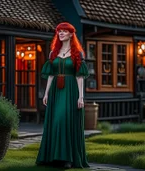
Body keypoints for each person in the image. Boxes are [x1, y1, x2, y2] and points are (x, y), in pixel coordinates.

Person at [36, 22, 90, 169]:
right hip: (55, 91)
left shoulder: (77, 54)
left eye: (64, 31)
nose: (61, 33)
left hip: (71, 90)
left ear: (71, 34)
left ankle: (68, 158)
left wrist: (81, 96)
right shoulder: (53, 53)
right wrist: (46, 93)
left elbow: (80, 77)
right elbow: (51, 76)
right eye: (59, 31)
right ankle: (54, 157)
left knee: (64, 120)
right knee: (55, 122)